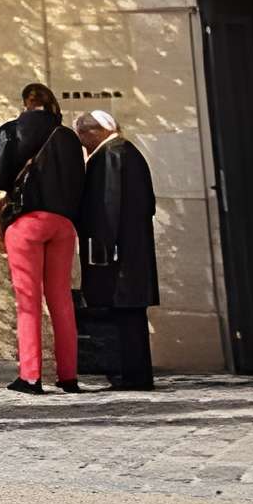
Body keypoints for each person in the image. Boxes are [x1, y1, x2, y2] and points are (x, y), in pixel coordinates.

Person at [0, 80, 85, 394]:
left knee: (27, 302)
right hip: (63, 224)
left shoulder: (12, 131)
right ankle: (68, 376)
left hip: (27, 222)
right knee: (61, 301)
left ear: (25, 103)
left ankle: (30, 376)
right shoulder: (69, 136)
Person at [74, 109, 160, 391]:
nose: (81, 141)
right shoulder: (127, 152)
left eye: (82, 134)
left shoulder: (111, 155)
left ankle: (127, 375)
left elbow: (108, 206)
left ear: (94, 131)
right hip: (134, 248)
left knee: (123, 315)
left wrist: (102, 246)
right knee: (131, 315)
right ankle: (136, 375)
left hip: (117, 252)